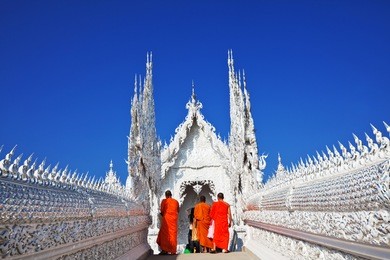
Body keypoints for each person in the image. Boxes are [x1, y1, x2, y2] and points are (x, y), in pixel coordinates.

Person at [156, 190, 179, 255]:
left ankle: (165, 250)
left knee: (164, 235)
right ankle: (173, 251)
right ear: (171, 195)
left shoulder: (164, 201)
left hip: (166, 220)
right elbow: (177, 211)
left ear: (166, 196)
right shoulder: (176, 202)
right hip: (173, 221)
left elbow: (162, 211)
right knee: (173, 235)